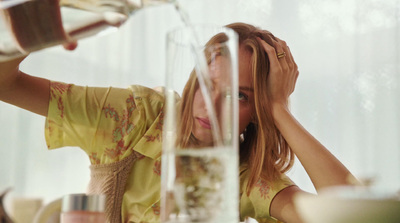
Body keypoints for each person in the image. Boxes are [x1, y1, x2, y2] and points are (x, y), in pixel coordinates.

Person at [0, 22, 359, 223]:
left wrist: (279, 108)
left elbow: (355, 216)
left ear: (257, 113)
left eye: (241, 96)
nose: (212, 104)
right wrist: (42, 21)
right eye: (208, 84)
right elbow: (6, 82)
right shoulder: (133, 115)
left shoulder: (247, 178)